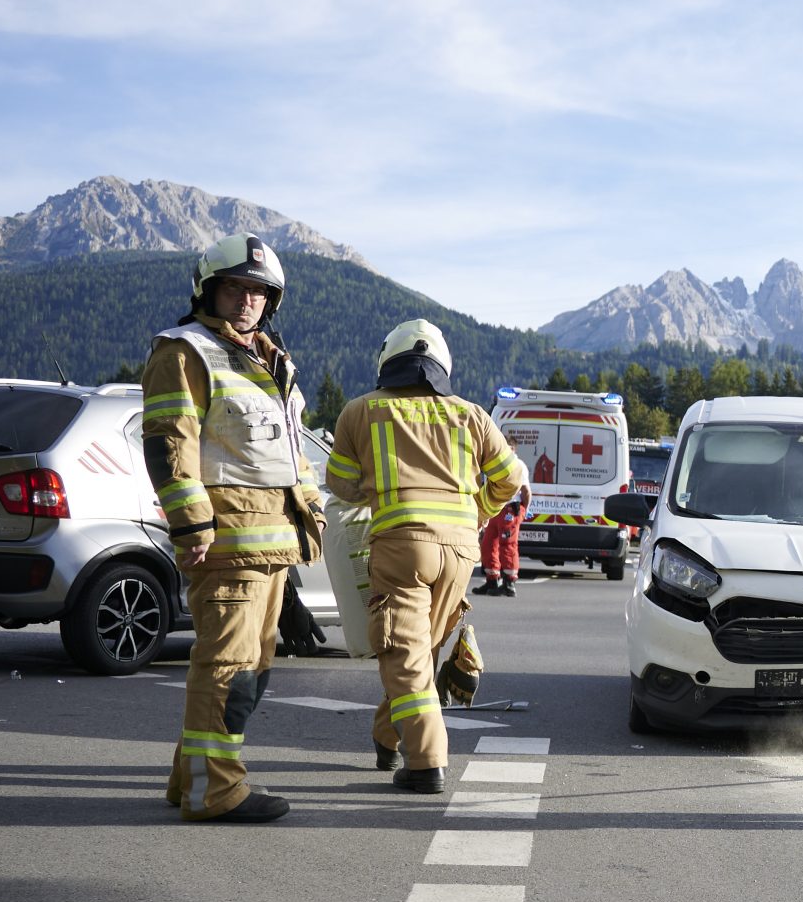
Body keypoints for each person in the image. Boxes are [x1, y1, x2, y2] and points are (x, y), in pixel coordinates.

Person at [141, 235, 325, 823]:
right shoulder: (184, 351)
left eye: (258, 291)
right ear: (208, 290)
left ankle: (187, 780)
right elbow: (171, 441)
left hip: (272, 542)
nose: (247, 300)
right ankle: (214, 792)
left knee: (250, 669)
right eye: (235, 287)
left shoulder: (271, 360)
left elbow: (290, 452)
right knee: (227, 668)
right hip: (227, 544)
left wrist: (311, 513)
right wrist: (191, 525)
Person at [323, 319, 526, 793]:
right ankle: (385, 736)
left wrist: (379, 488)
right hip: (460, 551)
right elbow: (510, 479)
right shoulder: (471, 414)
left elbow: (340, 483)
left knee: (405, 655)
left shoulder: (361, 411)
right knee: (419, 652)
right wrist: (478, 510)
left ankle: (427, 763)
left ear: (387, 362)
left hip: (402, 546)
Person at [477, 481, 528, 596]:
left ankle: (509, 584)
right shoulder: (490, 465)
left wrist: (524, 510)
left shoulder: (517, 466)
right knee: (488, 544)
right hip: (494, 508)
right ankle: (492, 581)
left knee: (508, 545)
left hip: (509, 509)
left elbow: (526, 491)